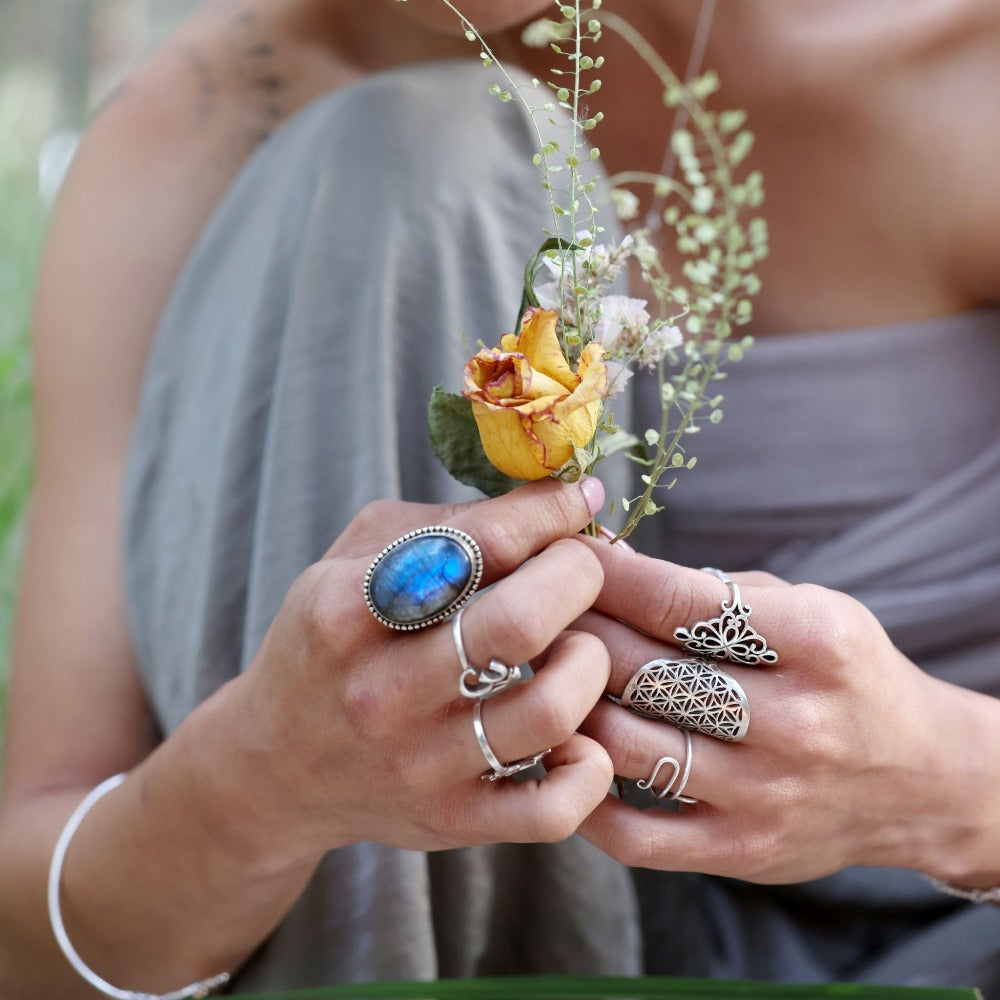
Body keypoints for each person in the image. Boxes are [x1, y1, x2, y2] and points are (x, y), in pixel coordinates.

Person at [0, 0, 998, 996]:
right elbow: (28, 954)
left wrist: (945, 784)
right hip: (432, 944)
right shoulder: (209, 125)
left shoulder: (961, 69)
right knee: (405, 162)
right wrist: (258, 783)